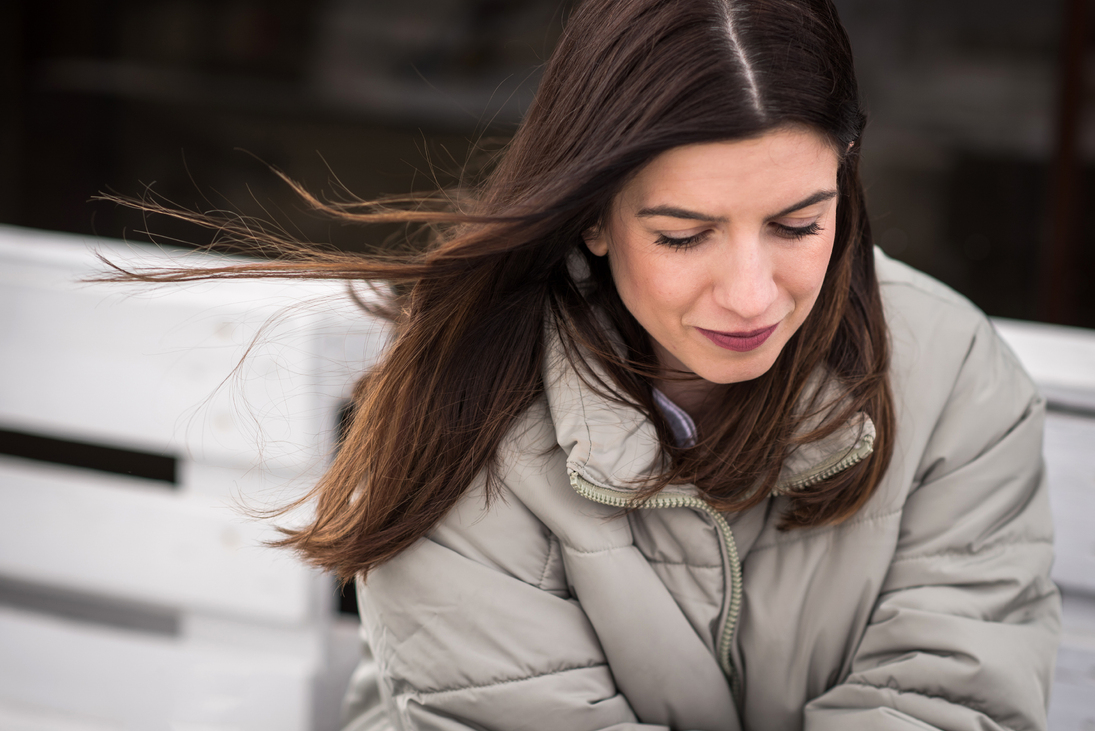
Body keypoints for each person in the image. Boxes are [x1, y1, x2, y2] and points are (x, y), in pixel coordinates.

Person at [107, 0, 1060, 728]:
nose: (751, 293)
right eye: (684, 235)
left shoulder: (950, 373)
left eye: (797, 224)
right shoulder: (464, 398)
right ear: (595, 215)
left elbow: (947, 697)